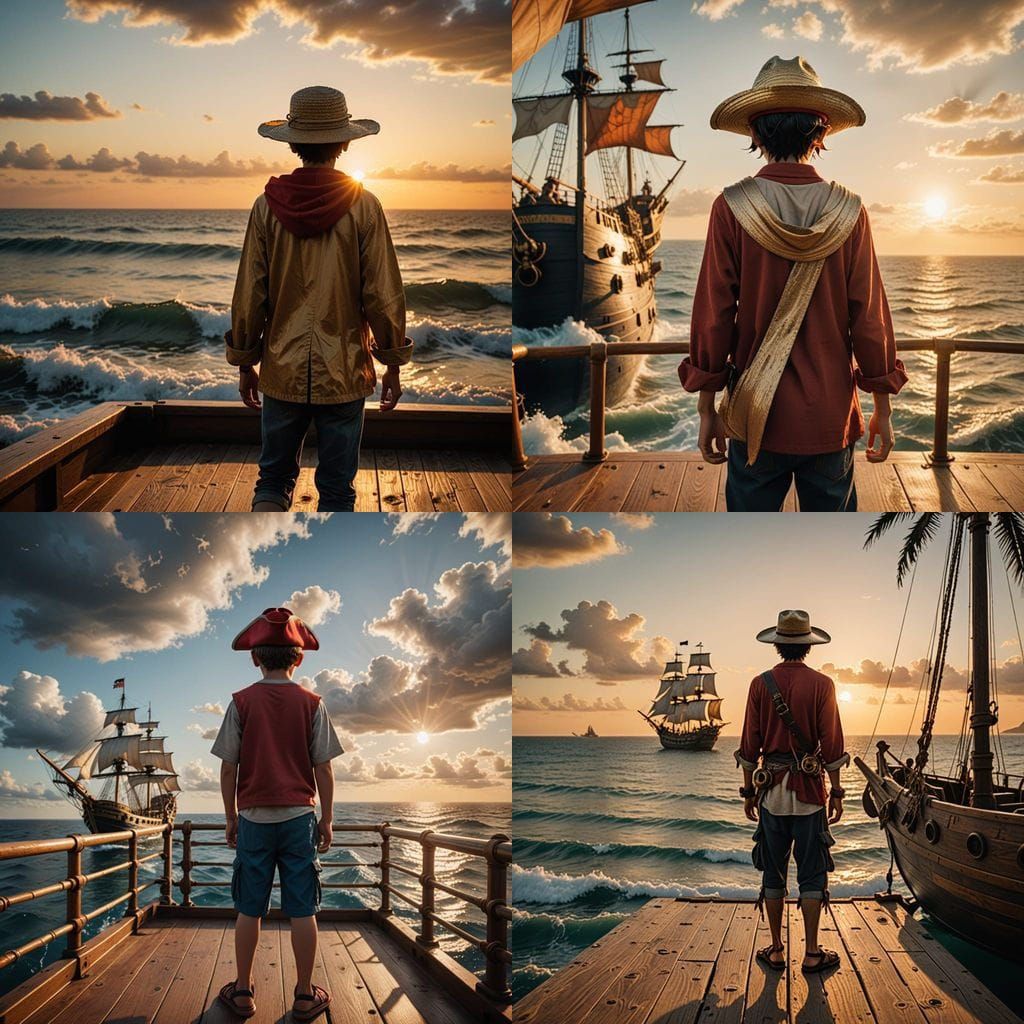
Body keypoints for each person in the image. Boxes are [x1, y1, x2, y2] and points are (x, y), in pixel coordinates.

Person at [678, 57, 908, 511]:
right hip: (829, 416)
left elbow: (713, 317)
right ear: (820, 134)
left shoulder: (730, 207)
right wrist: (882, 406)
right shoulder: (850, 210)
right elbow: (869, 319)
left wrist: (707, 410)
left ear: (755, 135)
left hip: (754, 414)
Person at [226, 85, 413, 512]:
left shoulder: (264, 207)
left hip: (280, 368)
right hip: (344, 373)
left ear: (293, 143)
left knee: (271, 481)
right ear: (345, 142)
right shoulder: (365, 206)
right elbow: (383, 296)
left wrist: (245, 363)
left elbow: (249, 294)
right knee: (337, 490)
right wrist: (393, 365)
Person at [210, 607, 344, 1022]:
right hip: (299, 817)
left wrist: (231, 816)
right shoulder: (312, 703)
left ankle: (244, 992)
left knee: (249, 908)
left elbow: (229, 766)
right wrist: (327, 818)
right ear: (298, 658)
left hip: (252, 818)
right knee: (303, 909)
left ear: (255, 657)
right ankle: (304, 996)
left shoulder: (240, 703)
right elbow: (323, 766)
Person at [735, 609, 849, 975]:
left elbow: (749, 743)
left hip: (771, 793)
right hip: (810, 794)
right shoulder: (823, 684)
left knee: (773, 870)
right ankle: (813, 953)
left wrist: (751, 793)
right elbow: (832, 743)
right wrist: (836, 791)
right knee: (812, 874)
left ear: (778, 645)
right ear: (807, 647)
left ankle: (776, 949)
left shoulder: (759, 683)